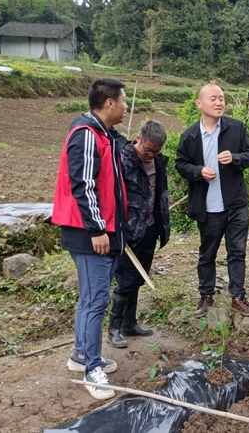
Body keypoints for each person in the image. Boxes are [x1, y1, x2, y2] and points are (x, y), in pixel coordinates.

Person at [52, 78, 127, 400]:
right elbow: (84, 185)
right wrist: (97, 229)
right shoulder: (86, 135)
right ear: (109, 103)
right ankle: (92, 369)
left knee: (90, 298)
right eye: (123, 101)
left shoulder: (103, 134)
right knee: (95, 301)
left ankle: (81, 356)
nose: (126, 107)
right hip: (88, 232)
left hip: (100, 230)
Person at [176, 84, 249, 319]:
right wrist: (199, 171)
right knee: (207, 253)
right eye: (213, 99)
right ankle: (206, 294)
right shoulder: (190, 135)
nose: (219, 103)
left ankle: (238, 297)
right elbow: (181, 164)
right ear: (199, 104)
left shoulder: (236, 128)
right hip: (207, 206)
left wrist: (235, 158)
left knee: (237, 252)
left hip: (235, 204)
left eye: (221, 98)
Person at [108, 120, 170, 349]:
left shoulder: (158, 162)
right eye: (147, 150)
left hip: (150, 229)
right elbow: (111, 196)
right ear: (138, 139)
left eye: (156, 151)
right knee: (125, 280)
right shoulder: (122, 161)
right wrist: (116, 228)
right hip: (127, 233)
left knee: (138, 278)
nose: (151, 155)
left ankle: (129, 323)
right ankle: (114, 328)